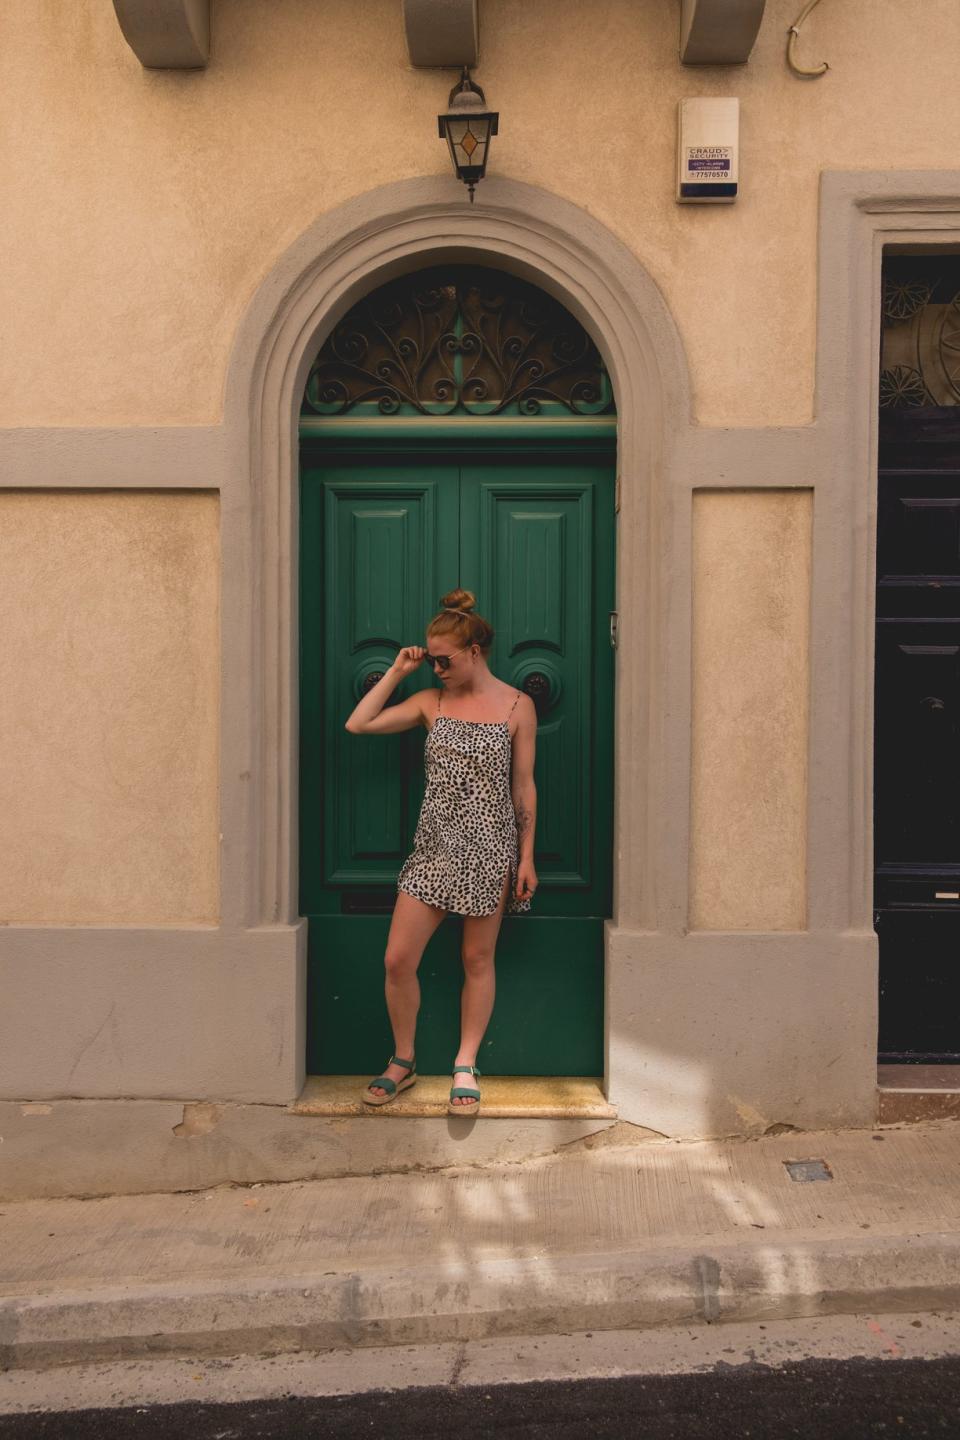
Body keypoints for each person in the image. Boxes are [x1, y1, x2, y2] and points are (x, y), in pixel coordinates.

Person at [344, 589, 538, 1116]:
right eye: (430, 658)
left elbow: (524, 787)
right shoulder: (430, 702)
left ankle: (465, 1063)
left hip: (490, 850)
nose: (437, 667)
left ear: (475, 650)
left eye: (444, 659)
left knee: (477, 959)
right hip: (432, 849)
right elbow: (357, 724)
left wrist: (527, 858)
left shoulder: (520, 706)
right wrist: (397, 673)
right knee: (397, 960)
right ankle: (403, 1060)